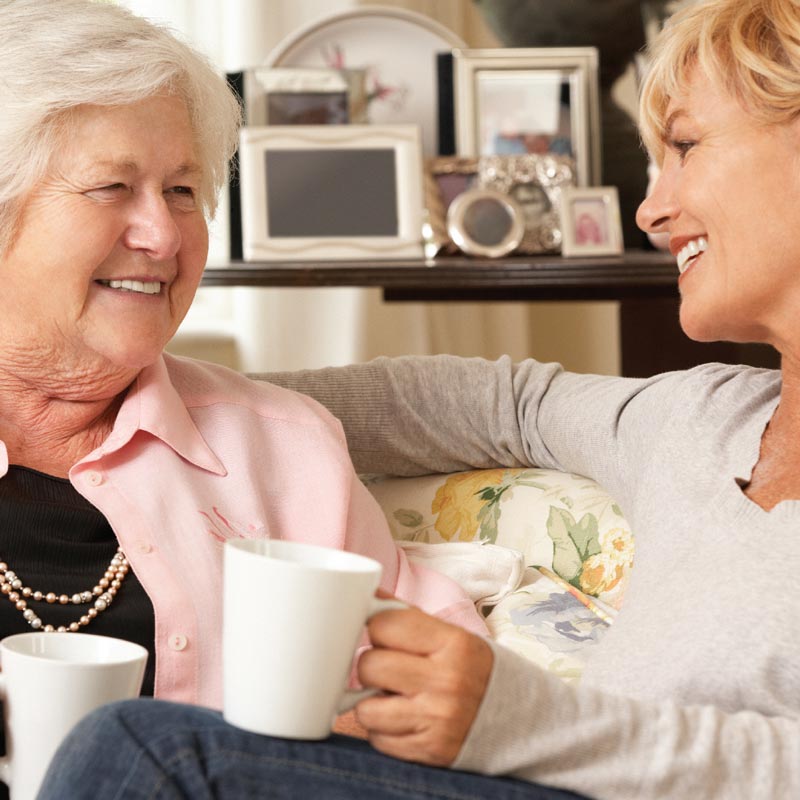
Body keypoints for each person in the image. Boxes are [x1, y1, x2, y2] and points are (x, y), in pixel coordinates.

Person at [36, 0, 800, 797]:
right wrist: (127, 406)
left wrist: (534, 722)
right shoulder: (700, 420)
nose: (650, 209)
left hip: (542, 766)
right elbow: (493, 401)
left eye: (685, 147)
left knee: (143, 750)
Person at [0, 0, 488, 790]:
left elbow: (446, 703)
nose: (162, 235)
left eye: (184, 191)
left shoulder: (280, 448)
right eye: (112, 187)